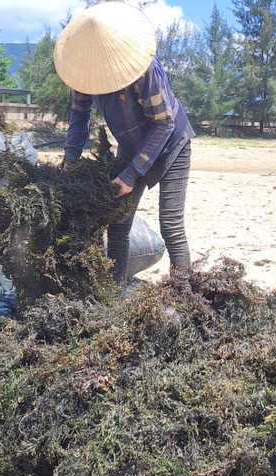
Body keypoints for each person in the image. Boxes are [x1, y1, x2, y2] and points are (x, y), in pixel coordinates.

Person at [55, 1, 195, 284]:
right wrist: (70, 158)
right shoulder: (84, 74)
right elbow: (79, 114)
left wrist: (131, 174)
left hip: (171, 146)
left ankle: (184, 291)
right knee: (118, 224)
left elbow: (164, 124)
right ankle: (114, 295)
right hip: (131, 146)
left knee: (170, 225)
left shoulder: (145, 71)